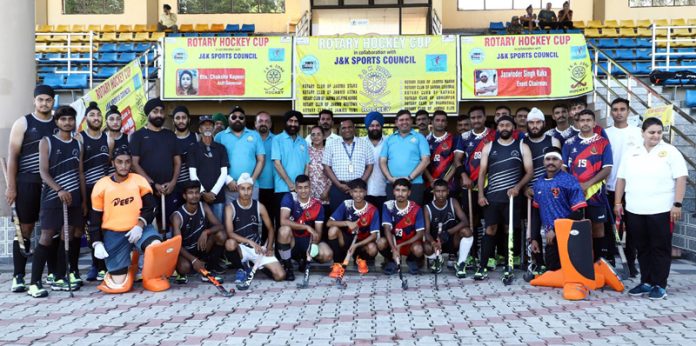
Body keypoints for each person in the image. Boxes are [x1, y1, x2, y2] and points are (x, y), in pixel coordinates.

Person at [89, 147, 180, 294]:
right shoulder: (101, 185)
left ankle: (151, 277)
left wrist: (139, 225)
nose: (123, 166)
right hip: (114, 233)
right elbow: (94, 219)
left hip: (140, 229)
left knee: (155, 246)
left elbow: (151, 208)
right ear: (113, 163)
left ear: (131, 163)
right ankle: (131, 265)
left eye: (127, 162)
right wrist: (96, 243)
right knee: (118, 284)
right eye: (119, 162)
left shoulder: (139, 181)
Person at [614, 118, 687, 300]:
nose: (655, 135)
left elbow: (681, 178)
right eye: (651, 132)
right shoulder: (632, 152)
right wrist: (617, 203)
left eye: (658, 132)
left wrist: (677, 204)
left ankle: (659, 284)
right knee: (642, 247)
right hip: (635, 209)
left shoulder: (670, 151)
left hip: (661, 209)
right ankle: (646, 281)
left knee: (660, 248)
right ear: (643, 133)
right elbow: (621, 179)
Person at [26, 106, 84, 297]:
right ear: (57, 122)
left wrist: (82, 200)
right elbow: (43, 171)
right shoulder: (47, 141)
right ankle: (34, 283)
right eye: (63, 119)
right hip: (52, 198)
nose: (67, 122)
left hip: (73, 198)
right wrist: (58, 189)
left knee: (65, 236)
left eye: (70, 119)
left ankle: (59, 277)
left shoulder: (78, 143)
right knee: (46, 236)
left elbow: (80, 173)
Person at [6, 85, 57, 293]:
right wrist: (11, 186)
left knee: (51, 230)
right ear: (34, 101)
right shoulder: (23, 123)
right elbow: (12, 157)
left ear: (53, 102)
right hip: (27, 183)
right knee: (24, 229)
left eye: (48, 100)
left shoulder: (58, 123)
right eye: (41, 100)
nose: (44, 103)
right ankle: (18, 276)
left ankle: (54, 273)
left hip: (51, 184)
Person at [475, 115, 533, 281]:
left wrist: (517, 187)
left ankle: (509, 266)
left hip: (512, 199)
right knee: (490, 230)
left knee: (509, 231)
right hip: (492, 197)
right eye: (501, 125)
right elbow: (481, 173)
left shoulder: (522, 146)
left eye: (508, 125)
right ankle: (482, 266)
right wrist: (480, 194)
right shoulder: (488, 147)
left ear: (513, 128)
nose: (505, 127)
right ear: (497, 128)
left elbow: (529, 172)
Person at [562, 109, 613, 262]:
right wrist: (575, 186)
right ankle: (577, 262)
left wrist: (587, 184)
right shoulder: (569, 143)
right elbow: (563, 168)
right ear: (577, 123)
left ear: (594, 123)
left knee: (598, 228)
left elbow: (607, 168)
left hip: (596, 193)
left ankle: (598, 262)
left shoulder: (603, 143)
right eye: (582, 120)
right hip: (573, 194)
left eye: (588, 120)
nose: (585, 123)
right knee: (575, 228)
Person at [76, 102, 114, 282]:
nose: (96, 118)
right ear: (86, 119)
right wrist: (84, 199)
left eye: (98, 115)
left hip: (105, 193)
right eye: (92, 115)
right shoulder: (80, 138)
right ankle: (94, 265)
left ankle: (104, 267)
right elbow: (80, 171)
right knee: (91, 230)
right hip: (87, 191)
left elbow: (107, 168)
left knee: (104, 228)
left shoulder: (109, 140)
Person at [130, 97, 181, 231]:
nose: (159, 114)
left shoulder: (170, 135)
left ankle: (170, 250)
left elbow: (177, 161)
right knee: (150, 226)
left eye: (161, 111)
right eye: (155, 111)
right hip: (147, 191)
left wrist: (173, 183)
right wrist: (153, 184)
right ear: (148, 114)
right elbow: (134, 164)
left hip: (169, 190)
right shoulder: (138, 136)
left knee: (171, 225)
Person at [532, 147, 587, 271]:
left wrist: (556, 229)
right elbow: (536, 212)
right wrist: (534, 238)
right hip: (551, 238)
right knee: (552, 269)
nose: (551, 162)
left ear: (561, 162)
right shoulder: (538, 183)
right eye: (548, 159)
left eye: (555, 159)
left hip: (570, 236)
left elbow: (579, 212)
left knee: (569, 271)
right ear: (543, 162)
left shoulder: (569, 181)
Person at [223, 173, 285, 283]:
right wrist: (249, 242)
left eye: (249, 189)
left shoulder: (259, 206)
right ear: (237, 189)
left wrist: (269, 247)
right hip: (240, 248)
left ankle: (258, 267)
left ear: (253, 189)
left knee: (280, 275)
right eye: (243, 189)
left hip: (258, 248)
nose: (246, 192)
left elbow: (271, 228)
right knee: (230, 243)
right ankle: (241, 268)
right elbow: (229, 233)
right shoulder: (230, 207)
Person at [454, 106, 495, 269]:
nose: (476, 120)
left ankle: (489, 256)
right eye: (473, 118)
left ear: (485, 118)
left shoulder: (493, 134)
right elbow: (457, 160)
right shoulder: (464, 137)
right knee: (472, 222)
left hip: (490, 186)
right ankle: (471, 255)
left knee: (491, 223)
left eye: (479, 117)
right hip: (469, 186)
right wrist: (464, 176)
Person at [605, 98, 642, 277]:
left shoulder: (638, 133)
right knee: (611, 229)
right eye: (615, 109)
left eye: (622, 109)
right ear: (611, 112)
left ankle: (631, 264)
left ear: (628, 111)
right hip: (610, 187)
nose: (618, 112)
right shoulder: (605, 133)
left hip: (633, 188)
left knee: (633, 228)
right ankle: (611, 263)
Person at [523, 108, 561, 270]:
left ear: (544, 123)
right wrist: (525, 187)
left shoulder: (553, 141)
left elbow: (560, 169)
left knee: (552, 228)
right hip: (531, 193)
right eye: (531, 122)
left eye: (538, 122)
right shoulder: (522, 142)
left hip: (551, 194)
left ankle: (553, 262)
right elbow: (519, 169)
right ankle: (537, 263)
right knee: (533, 228)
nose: (535, 126)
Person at [276, 175, 332, 281]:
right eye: (300, 187)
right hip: (292, 241)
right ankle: (289, 268)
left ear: (310, 188)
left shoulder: (317, 205)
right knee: (284, 230)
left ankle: (305, 261)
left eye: (306, 187)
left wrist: (313, 246)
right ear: (296, 188)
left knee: (327, 254)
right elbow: (283, 221)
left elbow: (318, 233)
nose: (303, 190)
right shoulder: (289, 198)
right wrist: (306, 227)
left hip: (307, 242)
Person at [172, 180, 226, 284]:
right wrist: (193, 260)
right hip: (186, 252)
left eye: (197, 192)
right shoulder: (177, 216)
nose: (194, 195)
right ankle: (193, 266)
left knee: (221, 235)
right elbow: (176, 244)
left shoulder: (203, 206)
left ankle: (208, 265)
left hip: (201, 247)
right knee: (184, 268)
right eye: (191, 193)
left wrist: (206, 231)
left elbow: (219, 225)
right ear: (184, 196)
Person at [326, 179, 380, 277]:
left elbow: (374, 236)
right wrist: (347, 223)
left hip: (362, 242)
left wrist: (356, 245)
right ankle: (337, 263)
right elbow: (329, 223)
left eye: (361, 192)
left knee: (372, 248)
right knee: (332, 231)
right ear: (350, 193)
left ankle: (360, 259)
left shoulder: (372, 209)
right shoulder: (346, 204)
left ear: (365, 192)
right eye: (355, 191)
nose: (358, 195)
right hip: (347, 240)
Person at [423, 179, 473, 278]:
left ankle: (460, 263)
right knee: (425, 247)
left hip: (452, 240)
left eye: (443, 191)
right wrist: (433, 243)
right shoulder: (427, 208)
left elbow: (465, 221)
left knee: (467, 231)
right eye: (437, 191)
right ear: (433, 192)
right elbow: (427, 232)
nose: (441, 194)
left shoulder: (453, 202)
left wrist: (447, 233)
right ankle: (439, 259)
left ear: (448, 191)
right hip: (437, 242)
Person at [380, 109, 430, 205]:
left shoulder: (420, 137)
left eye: (407, 119)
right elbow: (382, 161)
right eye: (401, 120)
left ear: (411, 121)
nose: (404, 122)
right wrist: (389, 178)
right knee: (393, 214)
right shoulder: (389, 139)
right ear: (396, 122)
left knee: (414, 214)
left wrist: (410, 178)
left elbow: (426, 160)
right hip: (393, 184)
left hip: (414, 184)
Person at [215, 106, 265, 202]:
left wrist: (252, 180)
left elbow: (261, 160)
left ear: (245, 120)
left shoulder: (255, 135)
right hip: (229, 186)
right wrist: (227, 179)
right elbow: (215, 161)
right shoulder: (220, 136)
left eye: (241, 117)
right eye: (234, 117)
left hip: (251, 186)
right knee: (230, 216)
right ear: (228, 119)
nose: (237, 119)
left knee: (251, 215)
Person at [323, 119, 374, 213]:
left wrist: (360, 185)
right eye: (344, 128)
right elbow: (326, 167)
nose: (347, 130)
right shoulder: (331, 144)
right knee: (337, 216)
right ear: (340, 130)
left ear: (354, 128)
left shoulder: (365, 144)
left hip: (358, 189)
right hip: (338, 187)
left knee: (359, 216)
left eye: (350, 127)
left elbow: (370, 166)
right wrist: (338, 185)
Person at [378, 178, 425, 275]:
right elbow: (387, 229)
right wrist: (394, 248)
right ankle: (391, 261)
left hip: (409, 244)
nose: (400, 193)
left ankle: (411, 261)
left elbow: (420, 234)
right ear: (393, 192)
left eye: (404, 190)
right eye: (397, 190)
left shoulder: (416, 208)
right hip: (394, 243)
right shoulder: (388, 206)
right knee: (381, 242)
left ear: (409, 193)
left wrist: (401, 246)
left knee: (419, 249)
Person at [271, 111, 309, 230]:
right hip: (283, 189)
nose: (293, 124)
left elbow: (307, 165)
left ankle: (298, 248)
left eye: (296, 121)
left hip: (300, 192)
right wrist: (290, 184)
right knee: (282, 224)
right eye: (290, 121)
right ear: (286, 122)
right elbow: (277, 163)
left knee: (299, 222)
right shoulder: (277, 139)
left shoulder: (303, 142)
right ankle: (280, 249)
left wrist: (304, 186)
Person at [188, 115, 229, 223]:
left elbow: (224, 173)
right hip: (199, 197)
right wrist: (203, 193)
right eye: (204, 125)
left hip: (218, 197)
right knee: (200, 227)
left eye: (210, 125)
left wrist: (213, 193)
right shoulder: (193, 148)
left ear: (214, 128)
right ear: (199, 129)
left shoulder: (221, 148)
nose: (207, 127)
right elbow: (192, 174)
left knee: (218, 228)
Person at [424, 110, 458, 203]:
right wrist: (431, 180)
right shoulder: (425, 140)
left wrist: (444, 181)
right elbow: (422, 162)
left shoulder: (454, 139)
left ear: (446, 123)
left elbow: (457, 162)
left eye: (443, 121)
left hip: (449, 184)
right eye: (437, 120)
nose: (440, 123)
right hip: (429, 184)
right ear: (432, 122)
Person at [362, 112, 388, 211]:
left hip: (385, 191)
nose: (375, 128)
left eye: (377, 125)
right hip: (364, 192)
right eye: (372, 125)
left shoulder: (389, 142)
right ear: (367, 127)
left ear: (381, 126)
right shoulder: (360, 142)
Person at [255, 111, 276, 229]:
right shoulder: (250, 137)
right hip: (253, 186)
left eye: (267, 121)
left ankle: (268, 245)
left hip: (272, 186)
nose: (264, 123)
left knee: (269, 219)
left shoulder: (277, 140)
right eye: (260, 121)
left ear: (271, 124)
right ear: (255, 123)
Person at [173, 106, 198, 198]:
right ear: (173, 120)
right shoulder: (169, 138)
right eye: (177, 118)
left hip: (194, 188)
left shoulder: (196, 137)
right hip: (175, 186)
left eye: (184, 117)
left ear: (189, 119)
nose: (181, 121)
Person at [308, 125, 331, 205]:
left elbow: (333, 174)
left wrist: (327, 191)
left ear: (324, 136)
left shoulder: (329, 152)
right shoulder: (306, 152)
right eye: (313, 134)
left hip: (324, 195)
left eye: (318, 134)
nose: (316, 137)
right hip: (308, 195)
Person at [105, 106, 129, 175]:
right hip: (107, 180)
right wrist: (110, 148)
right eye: (111, 119)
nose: (115, 122)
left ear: (121, 121)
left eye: (118, 119)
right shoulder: (101, 138)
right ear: (106, 122)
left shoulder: (128, 138)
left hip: (126, 178)